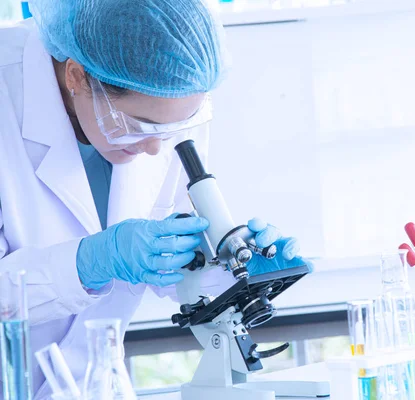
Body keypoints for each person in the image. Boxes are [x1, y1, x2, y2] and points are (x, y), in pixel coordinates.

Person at [0, 0, 308, 397]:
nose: (153, 148)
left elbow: (169, 255)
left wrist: (229, 263)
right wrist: (89, 261)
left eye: (173, 128)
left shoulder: (165, 95)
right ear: (76, 76)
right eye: (136, 126)